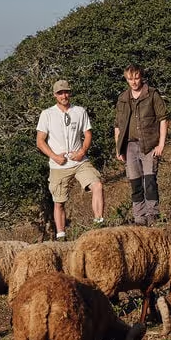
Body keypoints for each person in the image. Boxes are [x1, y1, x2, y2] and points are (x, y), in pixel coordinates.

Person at [36, 79, 105, 239]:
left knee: (97, 185)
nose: (64, 95)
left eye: (66, 92)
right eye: (60, 93)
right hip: (58, 164)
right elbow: (40, 141)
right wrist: (54, 156)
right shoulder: (47, 114)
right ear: (55, 95)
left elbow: (88, 133)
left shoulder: (79, 111)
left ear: (70, 93)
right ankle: (61, 236)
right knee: (59, 201)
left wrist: (82, 151)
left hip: (80, 161)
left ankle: (99, 223)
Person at [113, 64, 168, 226]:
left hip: (149, 144)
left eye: (136, 77)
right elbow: (117, 125)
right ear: (126, 79)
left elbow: (163, 119)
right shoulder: (123, 98)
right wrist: (118, 148)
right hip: (129, 146)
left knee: (150, 181)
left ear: (141, 76)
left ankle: (153, 213)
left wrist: (161, 144)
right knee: (135, 183)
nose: (134, 81)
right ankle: (139, 216)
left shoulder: (152, 94)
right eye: (130, 78)